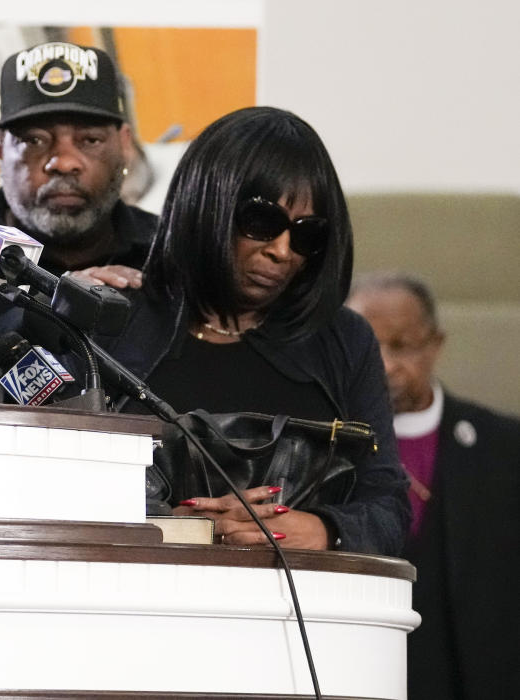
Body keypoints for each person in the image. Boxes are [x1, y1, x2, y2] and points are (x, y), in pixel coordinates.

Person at [107, 106, 409, 555]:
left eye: (307, 234)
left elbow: (390, 506)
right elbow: (47, 486)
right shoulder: (113, 324)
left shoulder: (345, 341)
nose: (283, 251)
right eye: (262, 222)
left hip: (304, 612)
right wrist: (166, 526)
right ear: (206, 204)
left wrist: (324, 531)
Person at [347, 272, 520, 700]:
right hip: (356, 667)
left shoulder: (504, 446)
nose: (384, 364)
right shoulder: (320, 444)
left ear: (435, 344)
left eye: (402, 345)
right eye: (369, 348)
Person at [0, 41, 156, 291]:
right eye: (34, 140)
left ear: (124, 144)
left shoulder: (173, 251)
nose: (64, 163)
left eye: (90, 140)